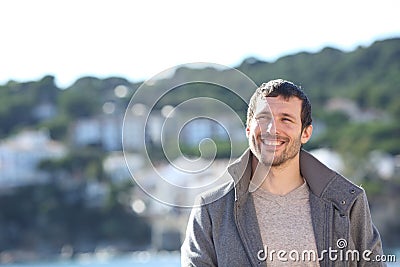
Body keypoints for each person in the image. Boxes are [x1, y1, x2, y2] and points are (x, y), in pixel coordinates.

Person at [181, 79, 385, 266]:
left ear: (306, 133)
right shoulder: (211, 210)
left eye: (285, 119)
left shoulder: (347, 202)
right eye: (263, 118)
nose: (272, 129)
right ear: (248, 129)